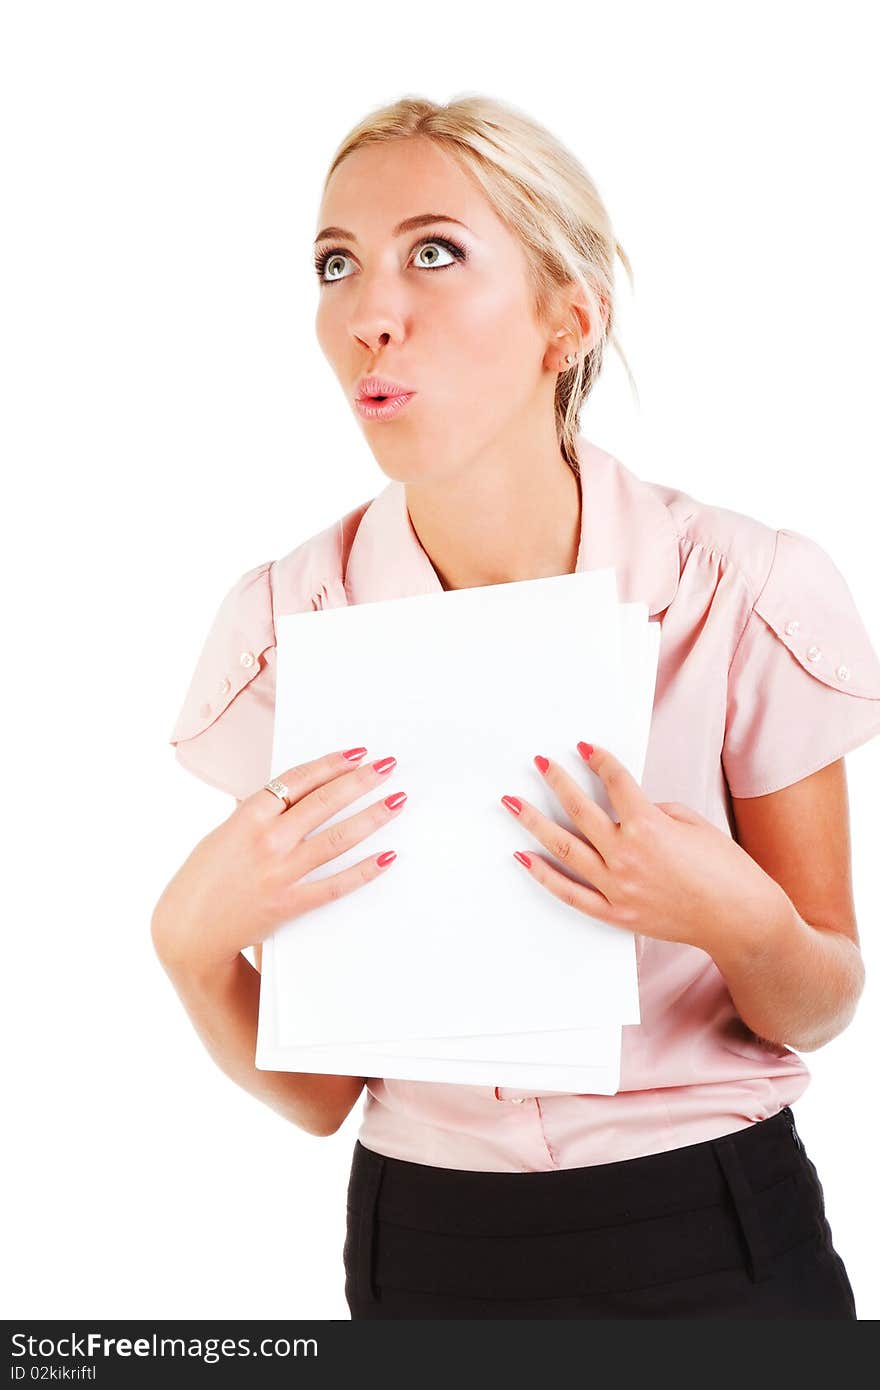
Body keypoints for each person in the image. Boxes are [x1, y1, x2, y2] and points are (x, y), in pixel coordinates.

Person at [151, 94, 880, 1319]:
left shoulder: (740, 591)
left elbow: (822, 995)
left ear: (568, 317)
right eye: (338, 265)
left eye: (433, 251)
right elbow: (323, 1095)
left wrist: (736, 919)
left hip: (710, 1228)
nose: (369, 314)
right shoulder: (285, 622)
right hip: (421, 1245)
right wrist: (186, 946)